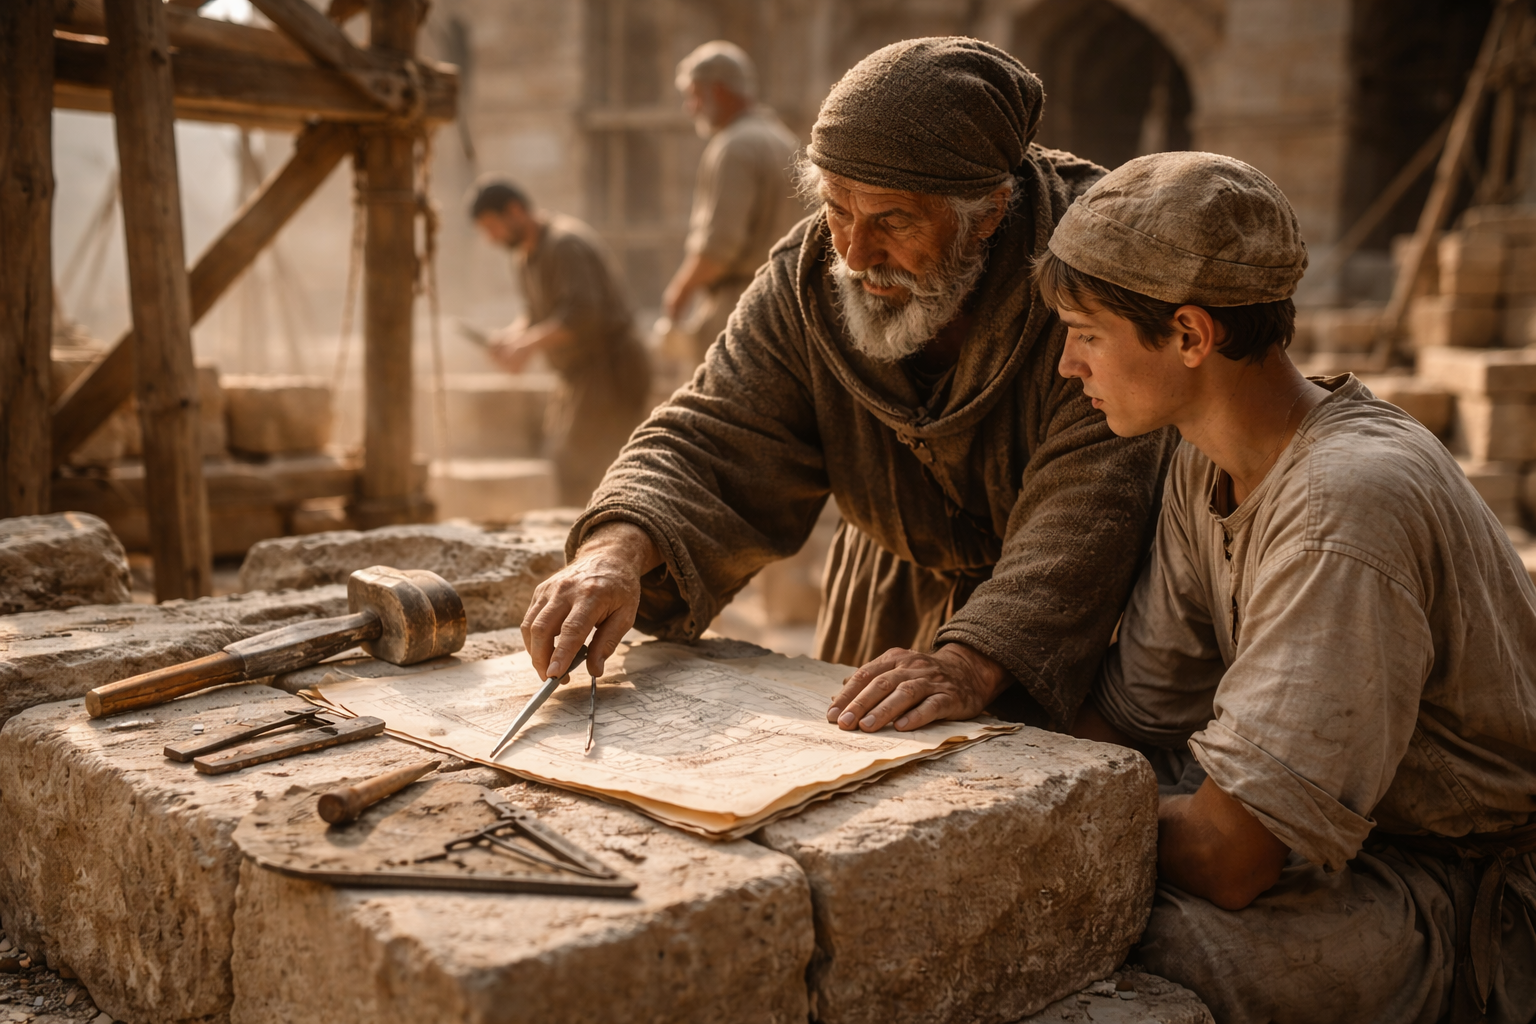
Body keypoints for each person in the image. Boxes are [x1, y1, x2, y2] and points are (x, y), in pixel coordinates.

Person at [520, 38, 1178, 737]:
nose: (855, 255)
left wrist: (973, 657)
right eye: (837, 210)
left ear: (987, 213)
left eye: (892, 221)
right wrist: (615, 551)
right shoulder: (807, 277)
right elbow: (715, 432)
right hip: (886, 607)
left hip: (1066, 627)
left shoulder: (1093, 272)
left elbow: (1094, 496)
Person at [1039, 151, 1536, 1023]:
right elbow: (1134, 719)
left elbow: (1233, 858)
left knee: (1147, 952)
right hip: (1354, 852)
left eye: (1087, 335)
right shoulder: (1208, 465)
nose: (1066, 368)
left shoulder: (1343, 506)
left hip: (1458, 887)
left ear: (1191, 336)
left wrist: (1040, 824)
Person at [469, 179, 651, 507]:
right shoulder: (525, 256)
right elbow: (537, 313)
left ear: (515, 210)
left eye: (493, 226)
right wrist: (511, 338)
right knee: (563, 462)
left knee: (586, 467)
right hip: (578, 376)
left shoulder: (565, 244)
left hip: (609, 371)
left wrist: (526, 346)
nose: (491, 238)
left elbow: (582, 316)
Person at [661, 41, 800, 368]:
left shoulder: (734, 146)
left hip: (740, 308)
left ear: (719, 92)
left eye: (694, 95)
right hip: (788, 305)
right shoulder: (784, 140)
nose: (690, 107)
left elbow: (718, 249)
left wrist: (678, 295)